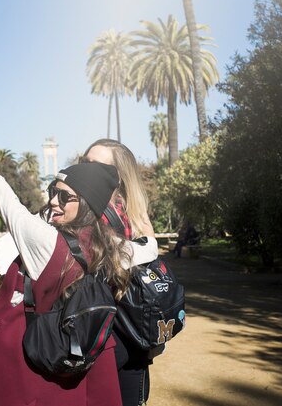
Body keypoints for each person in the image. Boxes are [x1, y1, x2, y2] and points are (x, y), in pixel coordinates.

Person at [0, 131, 158, 406]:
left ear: (85, 202)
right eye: (52, 192)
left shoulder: (45, 240)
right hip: (78, 358)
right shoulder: (113, 248)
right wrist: (148, 230)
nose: (52, 201)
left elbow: (5, 198)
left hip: (27, 352)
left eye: (63, 196)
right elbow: (148, 249)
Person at [82, 138, 156, 406]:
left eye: (96, 165)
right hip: (117, 331)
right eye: (85, 162)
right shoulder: (134, 212)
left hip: (118, 329)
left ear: (118, 175)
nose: (87, 169)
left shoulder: (123, 213)